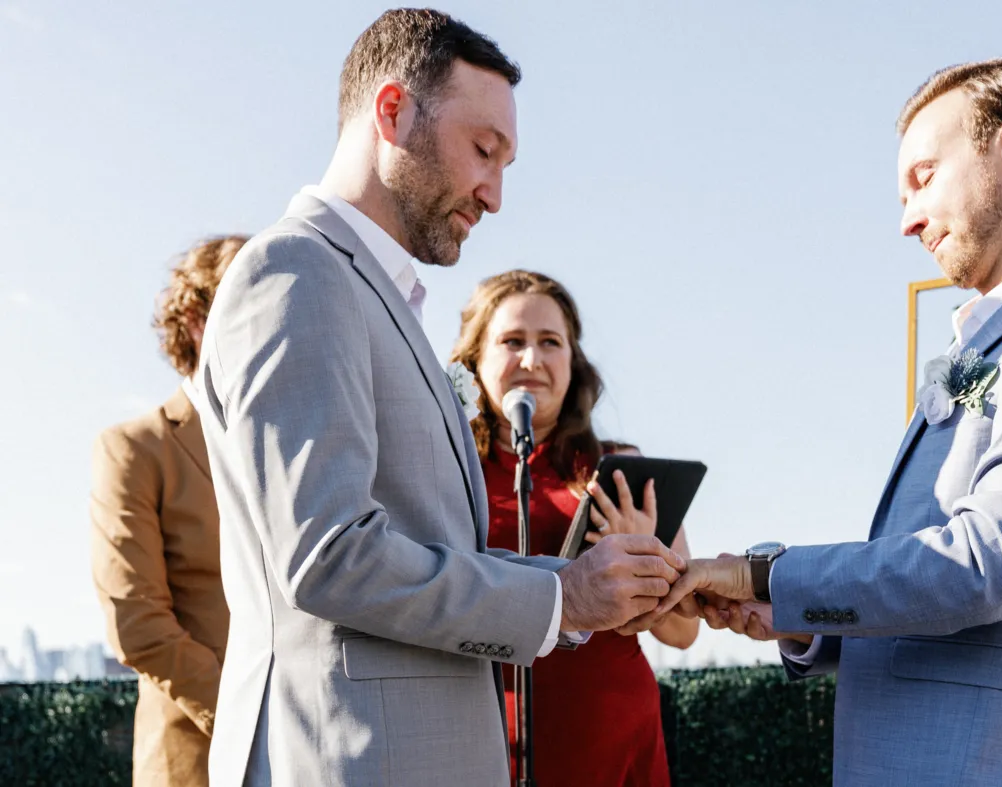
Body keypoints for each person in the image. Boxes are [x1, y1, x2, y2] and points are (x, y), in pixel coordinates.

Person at [193, 10, 684, 786]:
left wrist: (588, 591)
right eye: (483, 151)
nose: (493, 193)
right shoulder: (297, 272)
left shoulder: (374, 294)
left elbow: (430, 546)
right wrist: (562, 595)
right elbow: (330, 554)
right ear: (391, 112)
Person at [655, 59, 1002, 786]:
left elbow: (985, 565)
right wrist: (796, 615)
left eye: (923, 176)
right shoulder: (977, 342)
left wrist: (763, 572)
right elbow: (924, 581)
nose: (906, 220)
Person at [451, 269, 699, 786]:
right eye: (512, 341)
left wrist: (644, 561)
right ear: (475, 359)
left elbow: (683, 632)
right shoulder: (444, 471)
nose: (532, 360)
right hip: (478, 731)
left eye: (550, 342)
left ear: (573, 361)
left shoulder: (623, 470)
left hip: (608, 732)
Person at [90, 234, 246, 786]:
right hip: (193, 761)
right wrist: (247, 718)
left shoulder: (295, 444)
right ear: (194, 320)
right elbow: (138, 625)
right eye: (245, 306)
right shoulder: (135, 448)